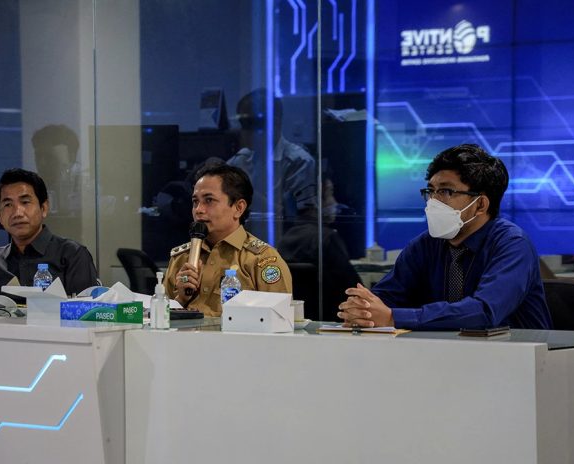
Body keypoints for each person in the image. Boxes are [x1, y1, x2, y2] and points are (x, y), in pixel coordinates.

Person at [338, 144, 552, 330]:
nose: (433, 201)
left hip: (521, 356)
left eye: (446, 192)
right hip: (448, 354)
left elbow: (484, 312)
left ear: (480, 204)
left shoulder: (512, 244)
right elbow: (386, 297)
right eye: (431, 191)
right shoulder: (425, 245)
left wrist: (393, 318)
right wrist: (363, 310)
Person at [164, 164, 292, 317]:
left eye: (209, 200)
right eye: (195, 202)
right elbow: (158, 321)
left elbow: (280, 320)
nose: (198, 210)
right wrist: (181, 299)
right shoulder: (181, 258)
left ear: (239, 208)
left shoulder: (262, 260)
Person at [0, 168, 99, 299]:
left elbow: (87, 309)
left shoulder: (72, 255)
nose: (17, 213)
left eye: (25, 202)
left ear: (44, 208)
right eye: (8, 205)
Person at [227, 89, 316, 241]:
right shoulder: (241, 160)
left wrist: (246, 195)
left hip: (282, 245)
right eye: (241, 124)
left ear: (274, 123)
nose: (243, 131)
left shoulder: (298, 162)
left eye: (249, 124)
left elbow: (300, 221)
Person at [278, 179, 361, 320]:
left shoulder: (284, 240)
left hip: (294, 320)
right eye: (330, 194)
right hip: (333, 321)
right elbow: (354, 292)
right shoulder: (327, 239)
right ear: (315, 202)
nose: (334, 202)